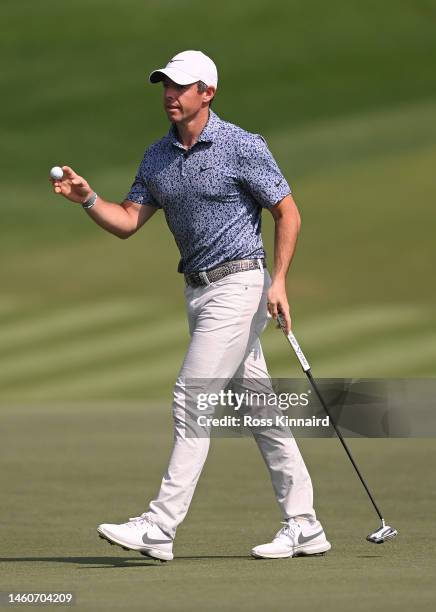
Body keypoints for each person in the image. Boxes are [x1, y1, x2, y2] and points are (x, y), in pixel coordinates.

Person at [50, 50, 331, 562]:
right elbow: (128, 221)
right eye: (165, 86)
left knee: (192, 397)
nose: (170, 95)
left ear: (208, 93)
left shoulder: (242, 146)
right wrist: (89, 199)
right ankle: (305, 525)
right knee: (262, 410)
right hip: (198, 293)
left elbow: (286, 212)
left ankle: (159, 526)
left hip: (241, 284)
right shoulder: (157, 156)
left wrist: (281, 280)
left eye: (181, 87)